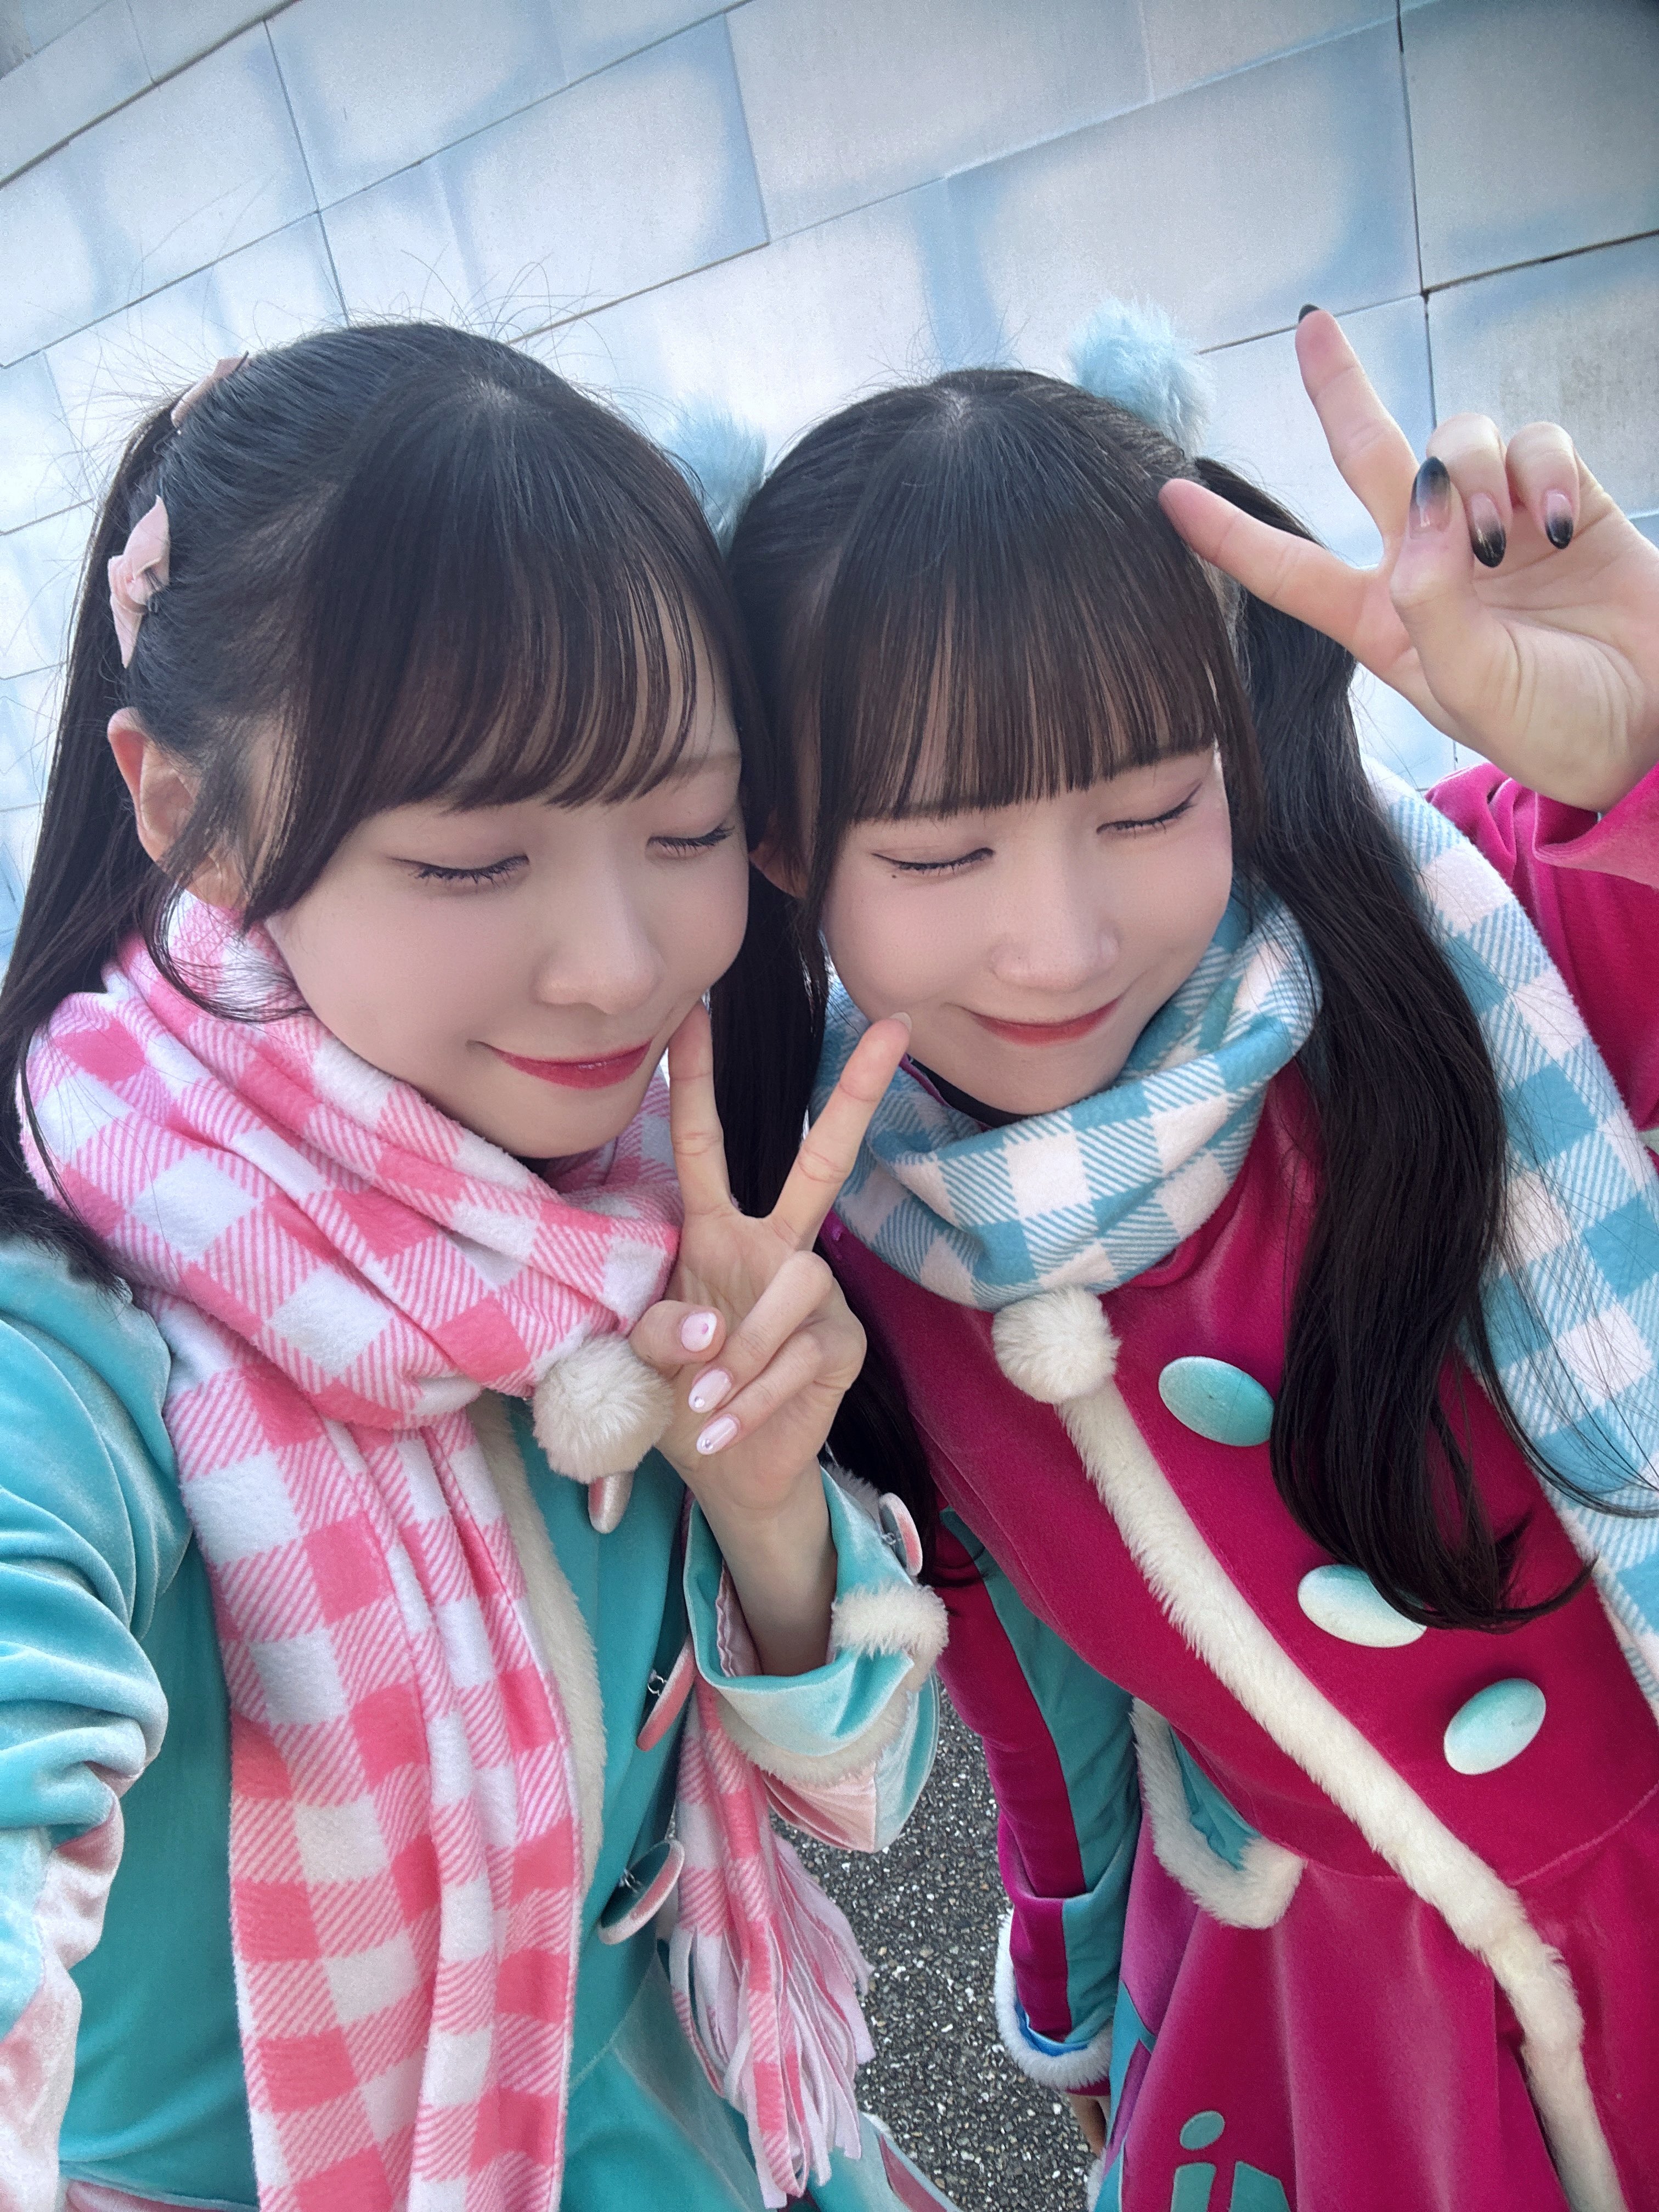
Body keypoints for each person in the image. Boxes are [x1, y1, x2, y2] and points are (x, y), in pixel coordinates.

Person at [714, 300, 1659, 2211]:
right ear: (792, 851)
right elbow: (1038, 1715)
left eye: (1148, 809)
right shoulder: (849, 1250)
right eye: (941, 856)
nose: (1060, 943)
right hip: (1351, 2028)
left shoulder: (1482, 931)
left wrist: (1639, 748)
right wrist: (1079, 2017)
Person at [0, 325, 956, 2212]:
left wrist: (770, 1510)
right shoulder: (85, 1306)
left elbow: (867, 1791)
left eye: (686, 829)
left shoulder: (623, 1201)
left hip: (717, 2129)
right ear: (187, 810)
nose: (617, 964)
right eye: (469, 860)